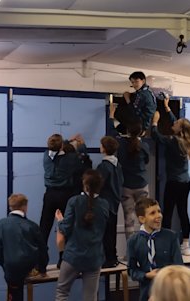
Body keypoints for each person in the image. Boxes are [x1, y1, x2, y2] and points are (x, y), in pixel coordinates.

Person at [55, 169, 109, 301]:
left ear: (85, 184)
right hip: (94, 257)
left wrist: (60, 220)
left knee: (62, 292)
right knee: (90, 297)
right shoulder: (105, 204)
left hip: (73, 255)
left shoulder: (74, 201)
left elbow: (65, 228)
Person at [151, 96, 190, 255]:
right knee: (183, 211)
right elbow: (177, 122)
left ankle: (167, 244)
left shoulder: (172, 140)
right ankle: (186, 244)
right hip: (185, 182)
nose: (173, 123)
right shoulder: (187, 140)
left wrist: (155, 121)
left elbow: (156, 136)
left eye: (175, 124)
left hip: (174, 183)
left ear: (180, 129)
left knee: (168, 212)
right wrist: (167, 108)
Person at [39, 133, 87, 266]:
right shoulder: (71, 159)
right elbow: (83, 162)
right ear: (61, 146)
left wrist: (66, 141)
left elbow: (56, 147)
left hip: (49, 195)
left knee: (44, 228)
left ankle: (41, 263)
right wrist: (81, 146)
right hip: (65, 195)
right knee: (66, 228)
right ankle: (64, 259)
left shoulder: (45, 156)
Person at [0, 194, 49, 301]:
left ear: (10, 206)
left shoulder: (1, 224)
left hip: (11, 269)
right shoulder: (31, 225)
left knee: (14, 295)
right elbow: (43, 249)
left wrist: (4, 265)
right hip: (30, 267)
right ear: (25, 206)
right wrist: (42, 269)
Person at [127, 197, 183, 301]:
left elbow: (179, 266)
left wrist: (163, 274)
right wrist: (146, 275)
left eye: (159, 211)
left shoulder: (171, 236)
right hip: (146, 293)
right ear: (142, 219)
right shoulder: (133, 241)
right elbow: (132, 270)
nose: (159, 216)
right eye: (153, 213)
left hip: (169, 292)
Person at [109, 102, 150, 242]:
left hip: (126, 186)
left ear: (127, 130)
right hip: (142, 184)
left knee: (129, 219)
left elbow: (111, 132)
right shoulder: (144, 146)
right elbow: (146, 161)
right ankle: (145, 250)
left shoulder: (120, 144)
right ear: (141, 132)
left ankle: (131, 253)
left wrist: (111, 115)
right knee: (144, 218)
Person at [96, 135, 124, 267]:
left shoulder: (104, 166)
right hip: (114, 202)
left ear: (104, 148)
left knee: (105, 232)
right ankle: (112, 257)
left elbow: (98, 184)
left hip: (104, 203)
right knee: (111, 231)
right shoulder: (117, 165)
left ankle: (108, 258)